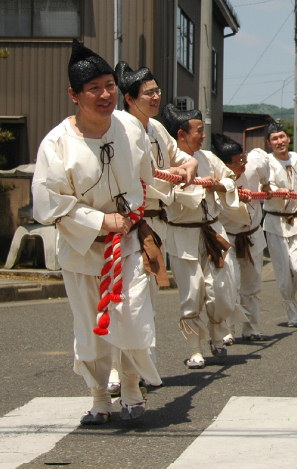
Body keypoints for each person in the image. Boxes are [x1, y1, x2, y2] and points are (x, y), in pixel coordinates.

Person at [32, 40, 160, 424]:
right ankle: (100, 396)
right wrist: (100, 221)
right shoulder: (56, 144)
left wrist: (136, 212)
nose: (105, 95)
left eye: (109, 86)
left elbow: (146, 176)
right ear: (74, 95)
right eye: (94, 89)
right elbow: (47, 204)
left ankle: (133, 388)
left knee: (135, 316)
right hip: (83, 249)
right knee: (93, 327)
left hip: (130, 244)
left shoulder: (130, 128)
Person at [107, 61, 198, 396]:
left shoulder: (156, 129)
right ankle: (118, 371)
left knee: (146, 301)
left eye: (158, 90)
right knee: (123, 300)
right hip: (129, 221)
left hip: (157, 222)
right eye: (149, 92)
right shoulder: (116, 126)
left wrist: (190, 163)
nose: (157, 96)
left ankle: (143, 367)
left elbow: (180, 157)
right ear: (130, 98)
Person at [162, 104, 244, 369]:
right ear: (181, 134)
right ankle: (194, 348)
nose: (203, 136)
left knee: (221, 289)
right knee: (191, 292)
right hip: (182, 233)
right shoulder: (167, 163)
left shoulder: (208, 157)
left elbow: (230, 180)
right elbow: (165, 195)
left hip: (213, 230)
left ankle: (218, 336)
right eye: (198, 131)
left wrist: (217, 183)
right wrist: (194, 185)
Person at [212, 134, 271, 342]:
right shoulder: (216, 178)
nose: (242, 166)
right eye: (237, 163)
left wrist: (266, 185)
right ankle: (227, 330)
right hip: (228, 236)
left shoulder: (254, 165)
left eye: (242, 159)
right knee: (230, 285)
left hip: (252, 233)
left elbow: (263, 160)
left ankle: (252, 328)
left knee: (253, 285)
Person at [262, 121, 297, 327]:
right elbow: (262, 183)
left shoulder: (296, 158)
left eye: (282, 137)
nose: (279, 142)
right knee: (284, 274)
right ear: (269, 143)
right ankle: (293, 313)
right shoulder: (266, 162)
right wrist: (272, 188)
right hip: (275, 223)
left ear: (288, 139)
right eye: (275, 139)